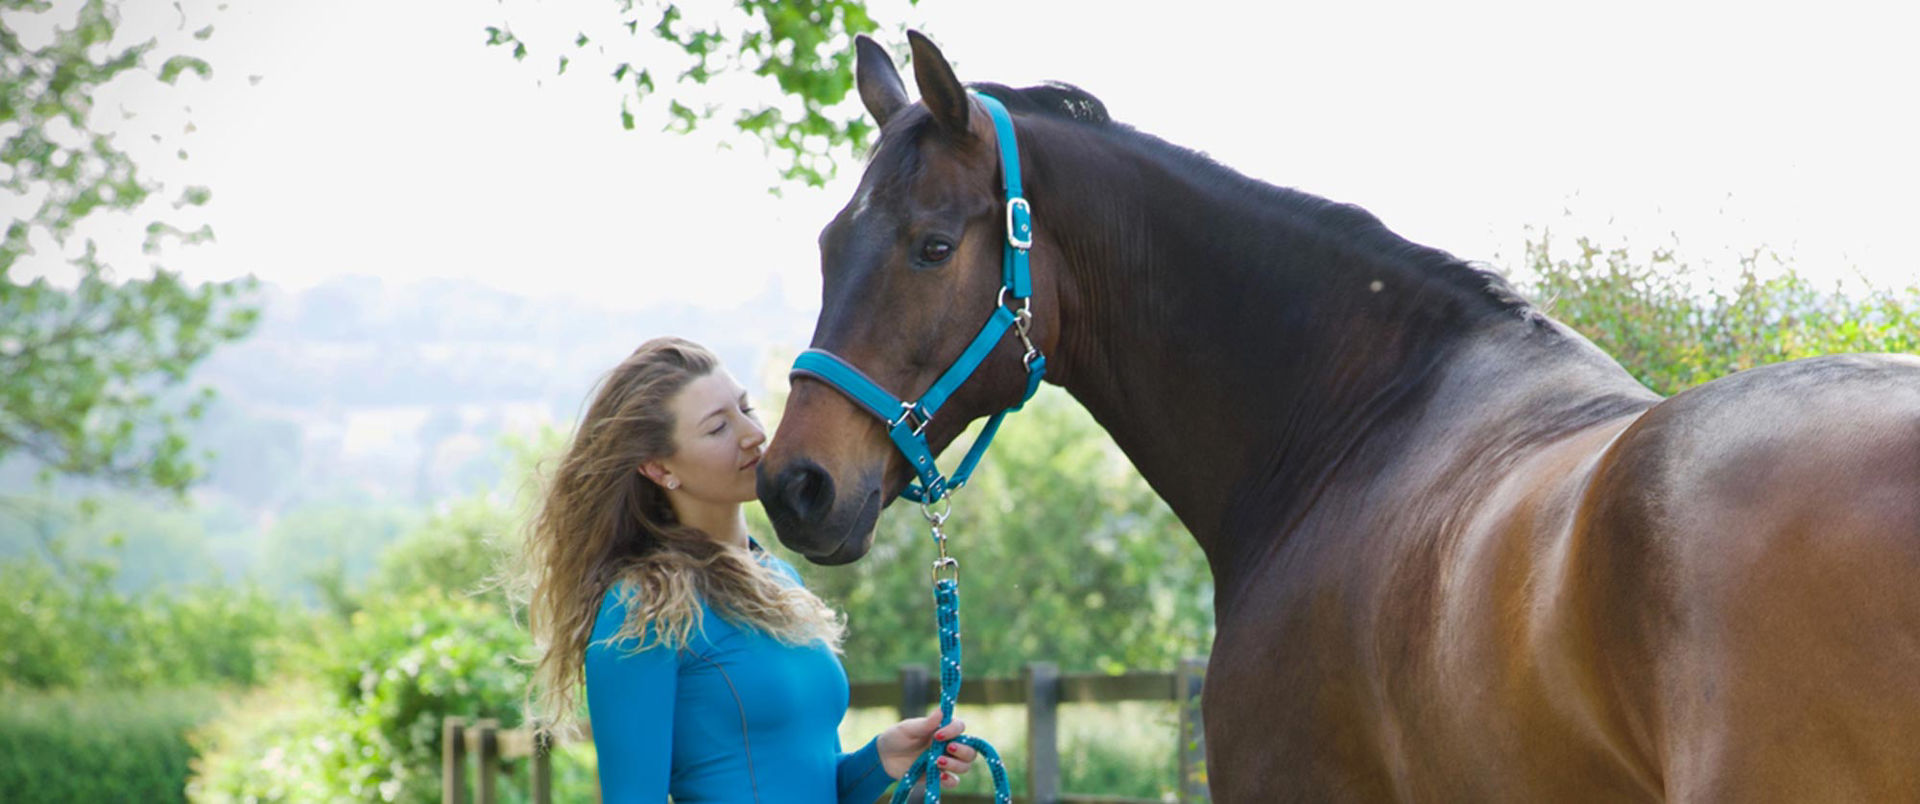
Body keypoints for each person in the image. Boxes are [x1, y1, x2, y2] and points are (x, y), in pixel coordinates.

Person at [520, 336, 977, 802]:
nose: (753, 434)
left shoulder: (781, 579)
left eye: (745, 407)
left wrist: (882, 760)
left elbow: (808, 784)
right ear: (659, 469)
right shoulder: (643, 609)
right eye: (718, 428)